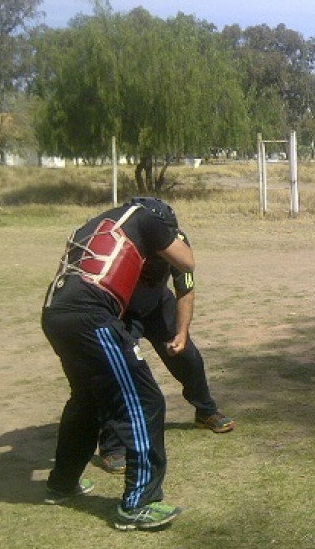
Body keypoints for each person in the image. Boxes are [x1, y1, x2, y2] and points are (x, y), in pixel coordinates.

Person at [41, 198, 195, 531]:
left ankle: (61, 483)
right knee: (144, 400)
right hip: (91, 317)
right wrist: (168, 242)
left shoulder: (97, 222)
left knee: (86, 399)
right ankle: (138, 502)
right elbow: (187, 261)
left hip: (55, 312)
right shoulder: (149, 220)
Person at [92, 197, 233, 475]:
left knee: (189, 357)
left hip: (158, 304)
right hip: (122, 309)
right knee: (120, 373)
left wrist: (181, 333)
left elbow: (185, 290)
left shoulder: (177, 241)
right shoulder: (118, 242)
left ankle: (205, 410)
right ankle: (112, 444)